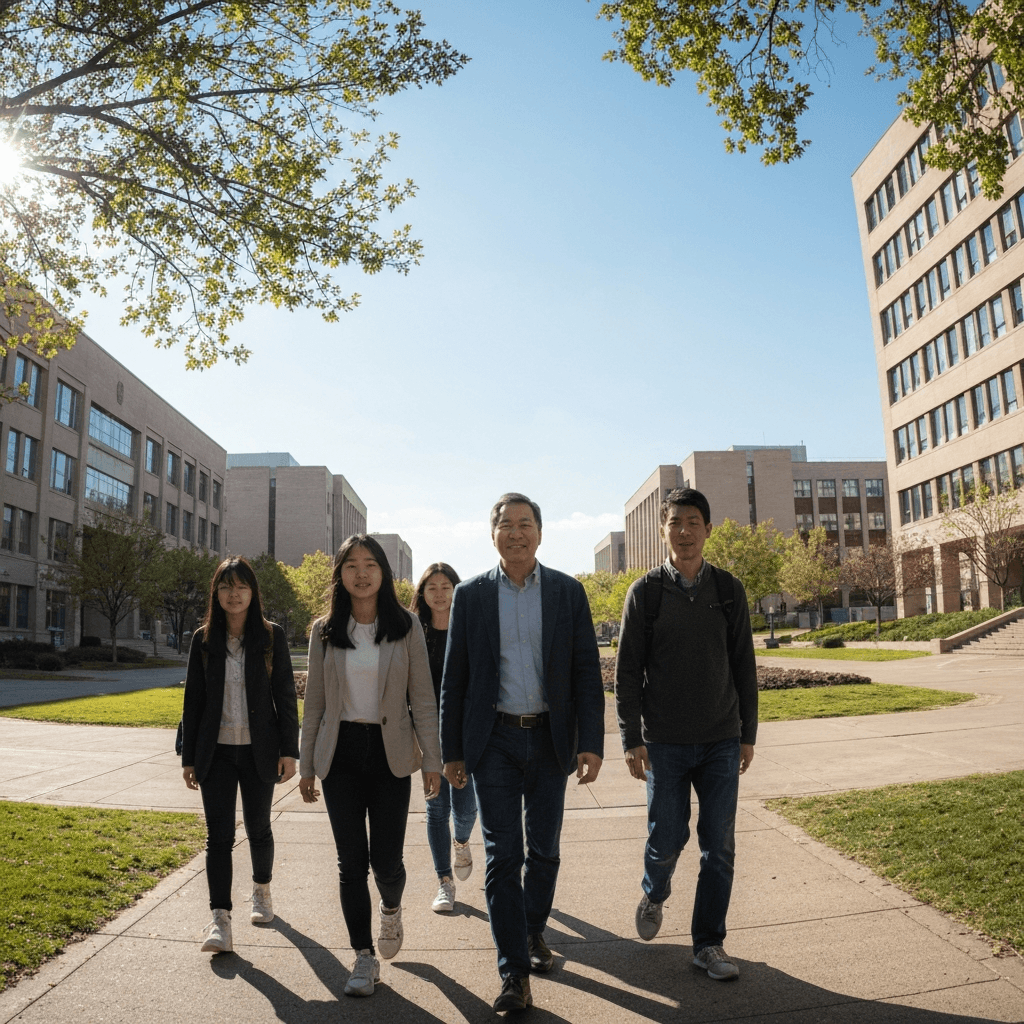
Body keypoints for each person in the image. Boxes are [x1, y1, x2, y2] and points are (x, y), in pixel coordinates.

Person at [440, 492, 605, 1012]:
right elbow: (455, 681)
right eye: (506, 524)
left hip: (552, 738)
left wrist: (591, 743)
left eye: (525, 523)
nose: (516, 532)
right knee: (503, 854)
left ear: (540, 531)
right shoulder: (470, 595)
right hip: (494, 743)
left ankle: (533, 933)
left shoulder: (567, 592)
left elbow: (585, 673)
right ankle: (513, 972)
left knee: (545, 850)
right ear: (492, 534)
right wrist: (453, 750)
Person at [615, 487, 758, 982]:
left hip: (720, 738)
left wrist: (748, 733)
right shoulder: (646, 592)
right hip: (665, 743)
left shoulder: (728, 590)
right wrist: (630, 738)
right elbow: (627, 671)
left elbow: (744, 665)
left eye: (694, 522)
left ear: (708, 529)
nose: (685, 531)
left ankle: (708, 944)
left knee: (718, 845)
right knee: (667, 838)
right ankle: (655, 892)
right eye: (676, 522)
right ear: (663, 531)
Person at [299, 534, 441, 998]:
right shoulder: (324, 629)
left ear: (383, 572)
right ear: (340, 575)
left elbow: (422, 698)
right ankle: (363, 956)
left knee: (386, 860)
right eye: (351, 566)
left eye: (370, 565)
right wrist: (306, 764)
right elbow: (315, 703)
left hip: (389, 753)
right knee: (350, 862)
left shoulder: (407, 626)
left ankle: (392, 907)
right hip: (339, 754)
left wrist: (432, 761)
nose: (361, 574)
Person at [181, 557, 300, 954]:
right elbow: (193, 701)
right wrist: (188, 757)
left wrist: (289, 751)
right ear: (216, 592)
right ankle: (220, 920)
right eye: (227, 586)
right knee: (219, 836)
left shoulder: (270, 637)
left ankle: (261, 891)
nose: (234, 594)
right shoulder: (203, 640)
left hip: (258, 750)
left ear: (253, 593)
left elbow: (285, 694)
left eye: (242, 587)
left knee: (258, 826)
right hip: (215, 753)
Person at [410, 561, 478, 914]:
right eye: (431, 587)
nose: (439, 593)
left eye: (445, 586)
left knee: (466, 808)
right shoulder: (414, 632)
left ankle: (462, 840)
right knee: (436, 808)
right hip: (428, 732)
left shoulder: (469, 627)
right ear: (422, 593)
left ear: (456, 590)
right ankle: (444, 882)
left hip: (467, 733)